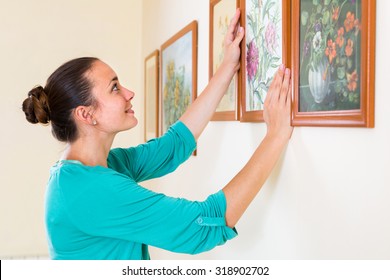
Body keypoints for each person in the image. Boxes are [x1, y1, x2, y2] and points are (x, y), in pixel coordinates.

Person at [22, 9, 293, 260]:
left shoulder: (97, 168)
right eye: (114, 88)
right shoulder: (87, 190)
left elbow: (173, 145)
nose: (129, 93)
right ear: (86, 114)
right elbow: (202, 226)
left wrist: (226, 68)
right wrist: (275, 137)